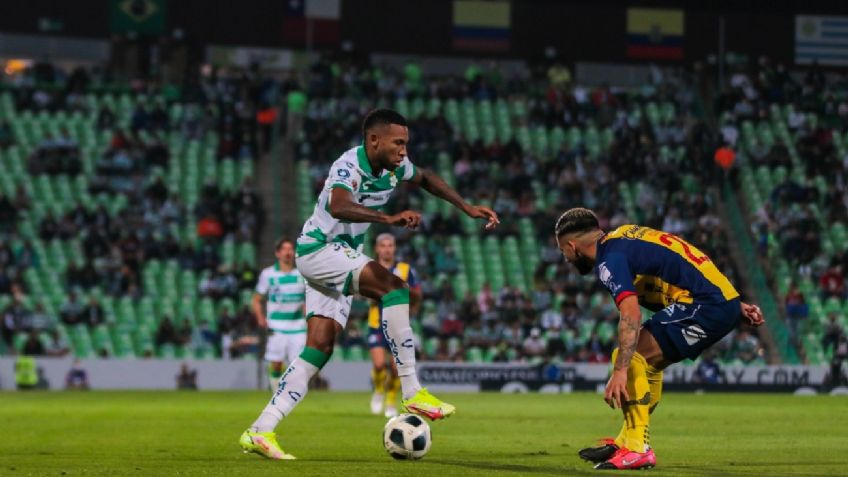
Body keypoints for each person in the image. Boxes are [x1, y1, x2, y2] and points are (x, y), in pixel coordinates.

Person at [240, 108, 499, 460]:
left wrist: (466, 207)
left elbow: (425, 178)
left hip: (336, 257)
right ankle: (412, 389)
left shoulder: (394, 167)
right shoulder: (348, 165)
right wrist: (387, 218)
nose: (404, 150)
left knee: (319, 348)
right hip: (319, 249)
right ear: (373, 140)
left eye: (406, 143)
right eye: (398, 142)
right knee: (395, 287)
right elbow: (339, 204)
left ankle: (260, 429)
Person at [555, 208, 764, 470]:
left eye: (563, 251)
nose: (565, 258)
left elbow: (630, 312)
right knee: (646, 362)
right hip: (714, 299)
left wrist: (620, 370)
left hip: (705, 304)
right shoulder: (622, 239)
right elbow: (682, 258)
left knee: (631, 357)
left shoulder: (609, 260)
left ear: (572, 246)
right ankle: (628, 439)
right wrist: (731, 301)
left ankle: (637, 448)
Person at [367, 233, 421, 418]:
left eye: (390, 245)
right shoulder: (370, 269)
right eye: (383, 245)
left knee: (396, 367)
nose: (387, 248)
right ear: (377, 248)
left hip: (399, 323)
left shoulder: (405, 269)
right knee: (379, 364)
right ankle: (379, 390)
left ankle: (390, 400)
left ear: (395, 248)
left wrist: (413, 307)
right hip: (376, 322)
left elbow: (416, 293)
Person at [253, 238, 307, 390]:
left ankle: (291, 393)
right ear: (278, 253)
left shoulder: (301, 274)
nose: (288, 252)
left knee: (298, 364)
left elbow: (306, 300)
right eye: (284, 249)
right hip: (276, 325)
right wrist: (260, 318)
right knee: (276, 362)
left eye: (290, 249)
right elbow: (256, 299)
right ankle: (276, 393)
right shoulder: (268, 274)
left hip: (298, 326)